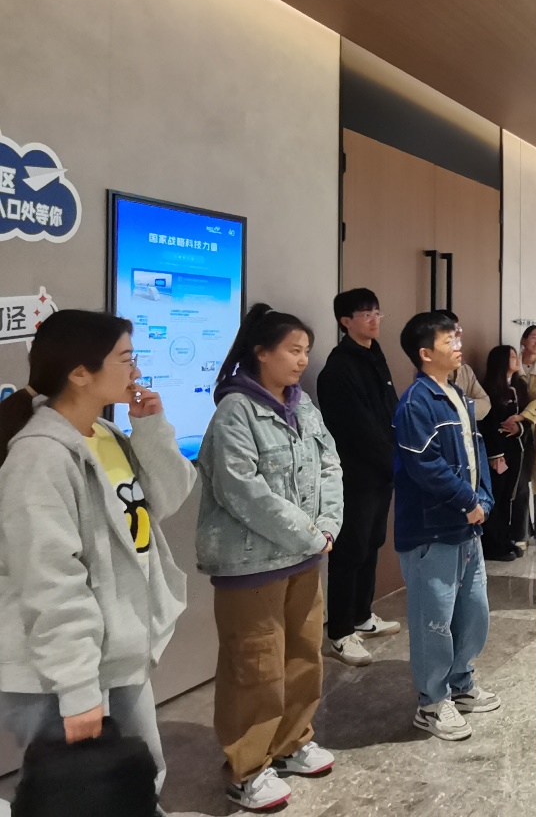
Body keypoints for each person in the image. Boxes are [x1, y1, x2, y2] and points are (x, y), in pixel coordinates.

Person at [0, 311, 198, 811]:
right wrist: (78, 689)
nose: (136, 371)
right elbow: (51, 581)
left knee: (134, 782)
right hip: (61, 668)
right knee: (83, 797)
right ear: (80, 373)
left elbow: (169, 497)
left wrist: (151, 427)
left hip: (116, 648)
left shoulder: (105, 433)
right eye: (126, 358)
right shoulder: (40, 457)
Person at [197, 304, 344, 811]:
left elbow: (329, 464)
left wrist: (327, 526)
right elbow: (243, 490)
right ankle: (247, 767)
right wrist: (309, 534)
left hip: (304, 557)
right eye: (293, 351)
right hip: (251, 564)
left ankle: (292, 741)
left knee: (304, 655)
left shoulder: (304, 406)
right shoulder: (235, 411)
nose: (302, 360)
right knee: (254, 667)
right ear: (261, 353)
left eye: (306, 351)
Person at [394, 311, 500, 742]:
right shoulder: (416, 402)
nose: (458, 345)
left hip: (467, 527)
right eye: (448, 341)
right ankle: (432, 701)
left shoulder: (456, 394)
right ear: (425, 353)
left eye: (457, 338)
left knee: (473, 611)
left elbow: (477, 451)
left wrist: (483, 498)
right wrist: (467, 501)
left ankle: (460, 682)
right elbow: (425, 466)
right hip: (432, 529)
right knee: (433, 619)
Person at [316, 288, 402, 668]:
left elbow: (390, 410)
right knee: (350, 550)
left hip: (381, 471)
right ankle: (338, 632)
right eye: (365, 313)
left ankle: (362, 616)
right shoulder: (338, 368)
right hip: (356, 473)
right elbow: (355, 427)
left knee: (372, 543)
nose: (374, 319)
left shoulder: (375, 355)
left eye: (376, 312)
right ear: (345, 321)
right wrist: (391, 460)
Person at [478, 344, 528, 563]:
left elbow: (527, 416)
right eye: (511, 356)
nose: (516, 359)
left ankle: (505, 539)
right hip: (497, 451)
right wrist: (495, 453)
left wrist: (520, 429)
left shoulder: (520, 386)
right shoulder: (489, 388)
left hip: (516, 448)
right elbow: (487, 423)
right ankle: (492, 544)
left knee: (509, 496)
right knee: (496, 496)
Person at [516, 325, 536, 549]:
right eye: (534, 338)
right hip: (515, 426)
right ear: (524, 340)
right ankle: (522, 530)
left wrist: (525, 416)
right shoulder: (513, 364)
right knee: (519, 480)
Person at [435, 309, 490, 421]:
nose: (458, 339)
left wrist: (460, 406)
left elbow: (485, 404)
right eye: (452, 334)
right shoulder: (430, 370)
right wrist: (467, 405)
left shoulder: (465, 370)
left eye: (458, 332)